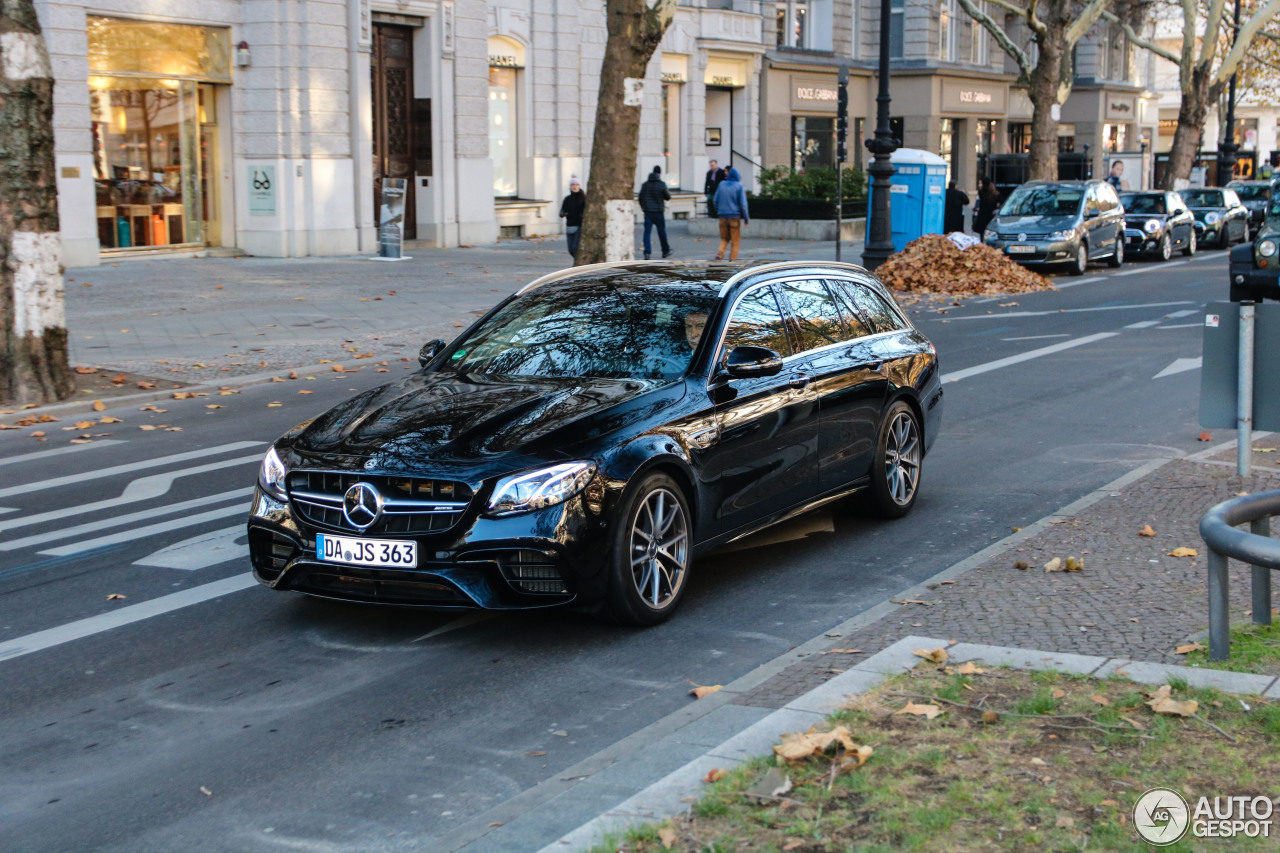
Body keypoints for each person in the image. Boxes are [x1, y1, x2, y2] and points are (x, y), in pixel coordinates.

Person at [712, 167, 749, 260]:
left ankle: (720, 253)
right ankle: (733, 259)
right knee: (735, 240)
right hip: (734, 216)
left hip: (722, 216)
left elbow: (715, 200)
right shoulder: (739, 186)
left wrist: (719, 211)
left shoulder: (721, 184)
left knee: (724, 238)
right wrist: (746, 218)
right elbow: (743, 204)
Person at [638, 165, 672, 260]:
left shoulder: (645, 185)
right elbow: (668, 197)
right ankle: (665, 251)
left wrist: (644, 208)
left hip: (648, 212)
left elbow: (640, 198)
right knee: (661, 232)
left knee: (647, 232)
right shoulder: (661, 184)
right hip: (658, 212)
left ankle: (647, 252)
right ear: (660, 173)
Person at [558, 176, 585, 258]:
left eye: (577, 184)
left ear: (579, 186)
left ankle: (578, 265)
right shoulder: (567, 199)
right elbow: (562, 211)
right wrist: (563, 214)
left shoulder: (583, 198)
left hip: (579, 226)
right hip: (569, 226)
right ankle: (577, 263)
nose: (575, 186)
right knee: (570, 249)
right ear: (570, 187)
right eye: (573, 184)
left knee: (575, 248)